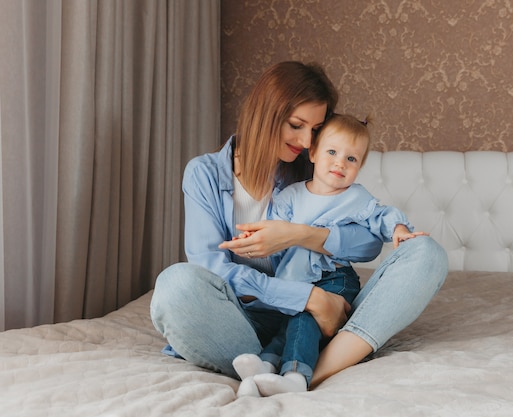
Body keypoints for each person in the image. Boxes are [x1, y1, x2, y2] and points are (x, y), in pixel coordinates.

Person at [149, 61, 448, 396]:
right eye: (296, 125)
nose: (307, 141)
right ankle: (284, 363)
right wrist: (309, 299)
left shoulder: (313, 166)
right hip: (243, 323)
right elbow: (210, 267)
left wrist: (297, 235)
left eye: (315, 130)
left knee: (425, 253)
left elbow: (367, 246)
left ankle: (310, 370)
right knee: (175, 285)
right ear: (265, 114)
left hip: (325, 323)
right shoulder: (204, 173)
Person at [232, 113, 428, 397]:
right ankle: (266, 365)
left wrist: (398, 229)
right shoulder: (291, 195)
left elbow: (380, 216)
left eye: (352, 159)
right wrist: (251, 238)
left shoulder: (355, 197)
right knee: (288, 323)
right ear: (312, 153)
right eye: (332, 152)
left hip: (334, 277)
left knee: (303, 317)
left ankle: (296, 377)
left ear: (359, 167)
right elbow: (273, 227)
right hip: (297, 279)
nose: (340, 163)